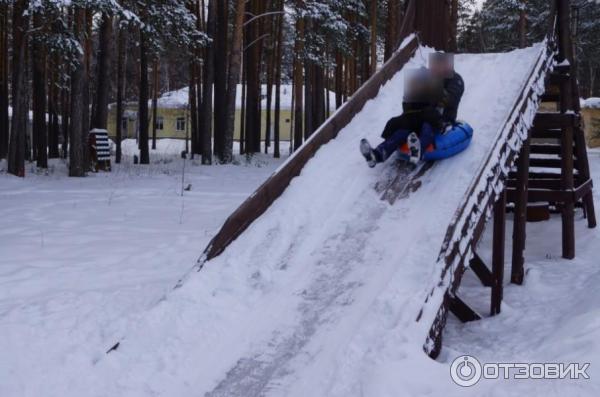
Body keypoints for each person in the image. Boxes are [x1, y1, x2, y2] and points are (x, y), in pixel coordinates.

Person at [360, 52, 465, 167]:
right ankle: (376, 155)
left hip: (443, 119)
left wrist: (432, 88)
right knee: (402, 129)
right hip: (425, 114)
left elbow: (451, 99)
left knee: (426, 126)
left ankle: (418, 149)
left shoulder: (456, 80)